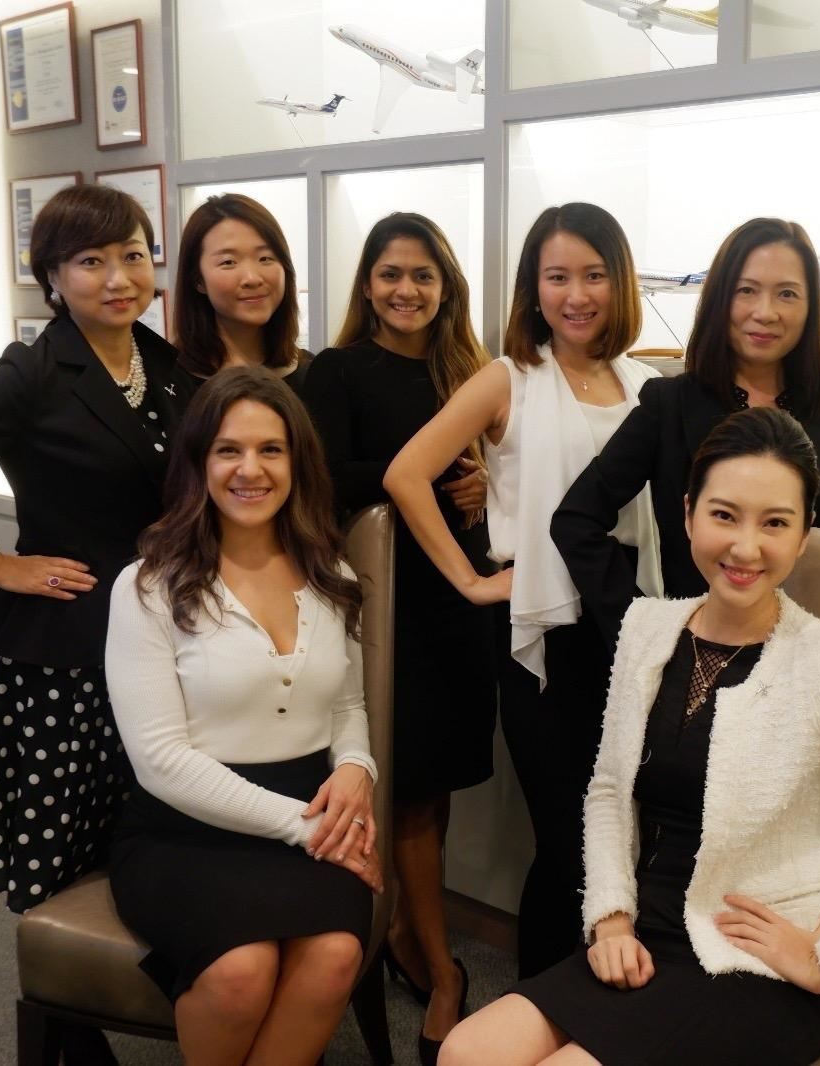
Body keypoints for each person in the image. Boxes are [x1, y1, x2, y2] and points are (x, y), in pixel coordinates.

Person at [439, 407, 820, 1066]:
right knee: (465, 1053)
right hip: (647, 925)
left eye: (775, 523)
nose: (745, 547)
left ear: (805, 535)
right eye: (724, 515)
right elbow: (609, 790)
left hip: (750, 959)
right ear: (689, 513)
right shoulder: (647, 628)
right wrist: (609, 916)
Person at [0, 183, 192, 913]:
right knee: (59, 831)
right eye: (90, 261)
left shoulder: (166, 365)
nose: (118, 278)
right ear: (51, 276)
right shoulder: (34, 372)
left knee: (140, 822)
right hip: (71, 637)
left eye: (133, 256)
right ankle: (58, 1016)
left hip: (159, 624)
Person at [385, 203, 662, 995]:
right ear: (531, 290)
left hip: (635, 629)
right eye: (557, 276)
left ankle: (608, 1013)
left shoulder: (646, 385)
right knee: (571, 839)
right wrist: (472, 581)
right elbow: (407, 475)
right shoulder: (509, 377)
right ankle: (549, 1008)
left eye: (593, 275)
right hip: (548, 634)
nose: (576, 294)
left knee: (628, 834)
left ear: (620, 282)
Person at [105, 367, 383, 1066]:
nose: (249, 469)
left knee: (334, 955)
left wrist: (356, 767)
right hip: (186, 829)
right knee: (239, 970)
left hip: (309, 812)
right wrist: (309, 830)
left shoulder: (333, 576)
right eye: (229, 450)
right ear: (199, 462)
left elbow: (346, 705)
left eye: (271, 450)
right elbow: (161, 761)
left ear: (298, 463)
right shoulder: (147, 587)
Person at [301, 213, 496, 1056]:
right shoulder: (338, 371)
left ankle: (411, 937)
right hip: (389, 606)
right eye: (389, 274)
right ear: (367, 285)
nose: (405, 290)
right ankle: (441, 968)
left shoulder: (473, 373)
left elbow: (518, 477)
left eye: (422, 275)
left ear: (446, 284)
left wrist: (489, 478)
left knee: (436, 787)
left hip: (467, 601)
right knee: (409, 790)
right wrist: (407, 475)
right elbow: (316, 476)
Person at [553, 216, 820, 646]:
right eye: (746, 290)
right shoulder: (670, 404)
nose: (765, 312)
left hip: (800, 660)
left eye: (787, 294)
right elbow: (576, 520)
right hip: (696, 652)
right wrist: (643, 626)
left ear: (810, 307)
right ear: (720, 299)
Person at [174, 193, 312, 391]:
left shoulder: (313, 374)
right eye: (228, 262)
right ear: (198, 280)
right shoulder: (170, 382)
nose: (252, 278)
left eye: (265, 258)